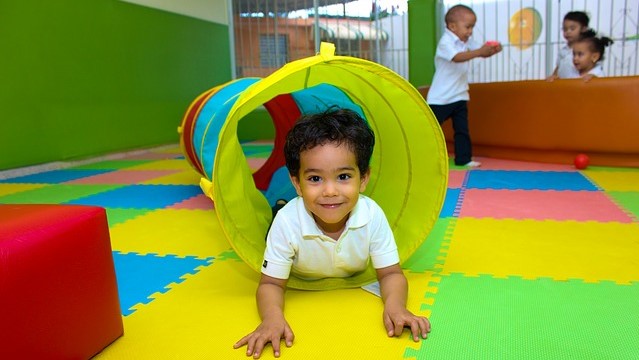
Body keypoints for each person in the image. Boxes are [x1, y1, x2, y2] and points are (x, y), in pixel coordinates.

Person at [233, 108, 431, 358]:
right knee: (279, 215)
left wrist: (396, 306)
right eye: (315, 179)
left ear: (363, 178)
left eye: (344, 176)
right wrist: (272, 319)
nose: (330, 191)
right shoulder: (287, 223)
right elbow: (271, 283)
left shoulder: (371, 215)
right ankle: (280, 204)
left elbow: (391, 273)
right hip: (288, 221)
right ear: (297, 183)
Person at [427, 4, 502, 168]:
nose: (470, 31)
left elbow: (480, 51)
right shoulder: (445, 42)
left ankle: (464, 158)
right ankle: (424, 156)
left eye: (472, 27)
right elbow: (457, 57)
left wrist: (492, 49)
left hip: (460, 94)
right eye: (467, 27)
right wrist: (480, 52)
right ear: (452, 26)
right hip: (441, 97)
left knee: (462, 130)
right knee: (430, 130)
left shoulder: (466, 41)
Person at [547, 11, 591, 80]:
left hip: (579, 85)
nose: (568, 32)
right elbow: (558, 67)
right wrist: (554, 76)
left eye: (572, 29)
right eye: (565, 29)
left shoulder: (587, 49)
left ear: (583, 29)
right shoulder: (563, 50)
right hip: (563, 86)